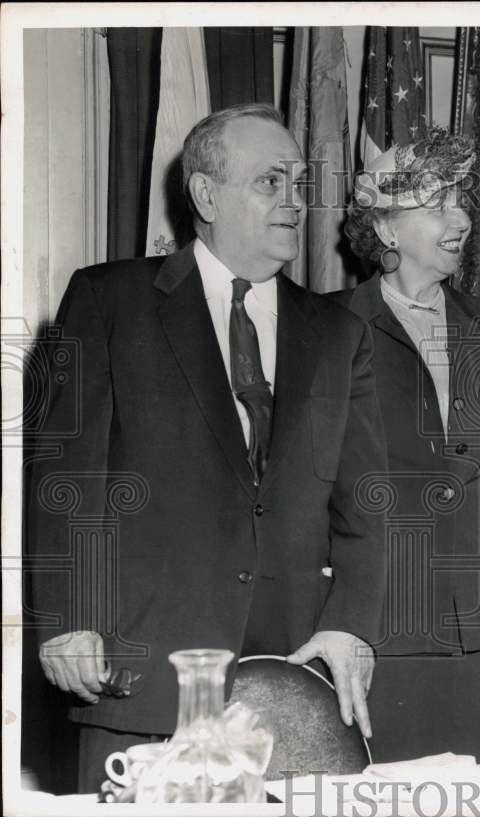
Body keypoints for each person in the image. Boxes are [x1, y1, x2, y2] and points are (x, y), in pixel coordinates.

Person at [26, 103, 388, 791]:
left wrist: (350, 625)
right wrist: (72, 619)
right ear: (205, 194)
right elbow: (67, 477)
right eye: (270, 182)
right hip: (141, 682)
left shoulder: (338, 334)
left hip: (288, 689)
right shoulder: (109, 302)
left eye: (299, 183)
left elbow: (366, 501)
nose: (293, 201)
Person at [338, 131, 480, 762]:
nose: (460, 220)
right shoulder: (329, 330)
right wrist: (338, 625)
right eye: (437, 207)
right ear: (386, 230)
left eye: (460, 203)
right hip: (378, 629)